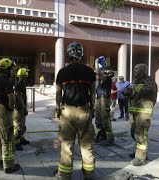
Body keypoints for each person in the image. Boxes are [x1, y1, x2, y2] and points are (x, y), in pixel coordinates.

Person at [54, 42, 96, 180]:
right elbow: (93, 93)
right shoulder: (89, 71)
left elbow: (58, 93)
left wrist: (58, 108)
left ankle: (64, 175)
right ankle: (89, 174)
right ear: (81, 55)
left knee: (67, 144)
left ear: (68, 55)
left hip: (67, 112)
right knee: (86, 145)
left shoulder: (62, 72)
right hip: (84, 111)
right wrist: (92, 108)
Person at [124, 64, 157, 166]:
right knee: (134, 133)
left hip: (144, 112)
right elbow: (133, 95)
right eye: (134, 68)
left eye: (137, 69)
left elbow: (149, 91)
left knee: (141, 135)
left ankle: (140, 158)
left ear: (144, 70)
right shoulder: (134, 81)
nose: (134, 70)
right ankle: (140, 152)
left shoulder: (149, 81)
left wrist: (135, 87)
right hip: (134, 112)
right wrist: (127, 93)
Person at [94, 57, 114, 145]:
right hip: (99, 99)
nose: (104, 71)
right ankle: (101, 135)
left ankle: (110, 139)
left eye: (106, 71)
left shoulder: (107, 79)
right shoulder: (101, 81)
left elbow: (98, 72)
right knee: (98, 120)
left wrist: (96, 62)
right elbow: (97, 72)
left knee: (105, 120)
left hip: (104, 100)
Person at [13, 68, 30, 151]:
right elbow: (19, 97)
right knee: (18, 126)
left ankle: (21, 138)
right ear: (24, 75)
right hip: (19, 108)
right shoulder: (19, 84)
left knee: (22, 125)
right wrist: (24, 107)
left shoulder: (22, 83)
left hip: (21, 107)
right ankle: (15, 143)